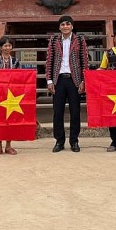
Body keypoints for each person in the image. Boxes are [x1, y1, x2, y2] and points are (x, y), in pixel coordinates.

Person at [46, 14, 88, 153]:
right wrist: (49, 80)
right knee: (57, 112)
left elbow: (84, 61)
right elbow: (49, 61)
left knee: (75, 112)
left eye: (68, 24)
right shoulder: (53, 40)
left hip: (74, 80)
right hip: (58, 80)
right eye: (63, 24)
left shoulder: (80, 40)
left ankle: (74, 141)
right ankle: (59, 141)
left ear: (72, 26)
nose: (65, 27)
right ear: (59, 27)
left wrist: (84, 80)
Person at [0, 35, 21, 156]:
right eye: (5, 45)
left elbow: (20, 79)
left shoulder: (16, 61)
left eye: (9, 45)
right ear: (0, 47)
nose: (7, 47)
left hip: (12, 95)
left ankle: (8, 145)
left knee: (10, 119)